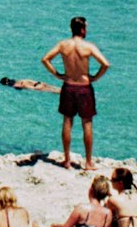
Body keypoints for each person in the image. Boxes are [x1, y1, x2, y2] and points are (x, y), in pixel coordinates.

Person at [41, 16, 110, 169]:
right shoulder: (88, 46)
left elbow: (45, 59)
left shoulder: (63, 45)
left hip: (69, 86)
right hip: (84, 88)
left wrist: (57, 74)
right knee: (87, 123)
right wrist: (95, 77)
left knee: (67, 121)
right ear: (83, 29)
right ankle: (88, 162)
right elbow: (105, 64)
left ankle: (67, 160)